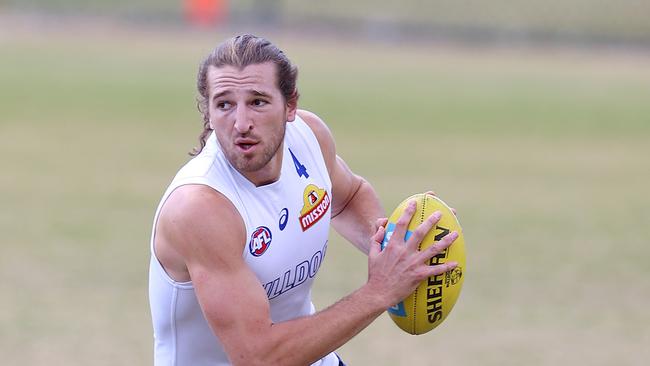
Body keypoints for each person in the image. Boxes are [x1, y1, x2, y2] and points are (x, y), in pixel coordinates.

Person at [148, 34, 459, 366]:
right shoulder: (199, 208)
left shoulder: (309, 138)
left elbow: (350, 195)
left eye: (258, 102)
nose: (241, 123)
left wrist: (394, 246)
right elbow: (259, 357)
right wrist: (379, 290)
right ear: (208, 113)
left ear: (290, 106)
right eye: (224, 104)